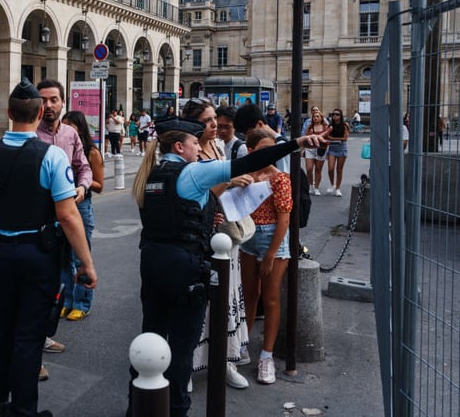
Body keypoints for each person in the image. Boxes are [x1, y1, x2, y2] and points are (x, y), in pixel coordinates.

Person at [130, 117, 327, 416]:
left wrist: (208, 214)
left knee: (150, 338)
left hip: (152, 262)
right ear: (180, 146)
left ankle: (139, 407)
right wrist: (297, 143)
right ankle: (176, 409)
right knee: (182, 348)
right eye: (195, 143)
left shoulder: (151, 174)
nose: (199, 149)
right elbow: (252, 162)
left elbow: (174, 214)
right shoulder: (193, 173)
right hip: (185, 267)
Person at [0, 78, 97, 417]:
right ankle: (24, 408)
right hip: (37, 252)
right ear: (41, 110)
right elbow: (68, 214)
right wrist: (86, 264)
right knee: (29, 332)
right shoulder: (52, 156)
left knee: (1, 326)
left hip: (0, 249)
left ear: (7, 113)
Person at [182, 99, 249, 390]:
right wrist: (229, 181)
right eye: (208, 120)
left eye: (215, 120)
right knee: (201, 298)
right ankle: (186, 365)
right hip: (202, 231)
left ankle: (226, 360)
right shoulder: (190, 151)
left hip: (225, 229)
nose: (214, 125)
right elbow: (197, 190)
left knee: (226, 296)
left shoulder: (220, 146)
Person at [35, 78, 93, 369]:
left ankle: (44, 335)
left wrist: (83, 186)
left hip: (70, 210)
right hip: (41, 218)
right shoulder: (31, 134)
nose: (48, 105)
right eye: (43, 100)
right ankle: (32, 346)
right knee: (41, 280)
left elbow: (84, 165)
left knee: (59, 278)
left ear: (62, 103)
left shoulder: (71, 133)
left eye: (53, 100)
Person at [238, 128, 294, 385]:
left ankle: (266, 356)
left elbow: (284, 220)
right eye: (262, 150)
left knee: (270, 299)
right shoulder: (244, 175)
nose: (268, 155)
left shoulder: (280, 178)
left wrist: (271, 254)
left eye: (272, 149)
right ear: (250, 151)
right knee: (249, 295)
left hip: (273, 238)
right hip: (248, 236)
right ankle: (243, 345)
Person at [61, 110, 103, 321]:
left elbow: (100, 185)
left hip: (81, 205)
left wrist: (82, 183)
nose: (67, 130)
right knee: (63, 257)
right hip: (62, 204)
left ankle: (82, 303)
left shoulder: (91, 152)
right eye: (64, 126)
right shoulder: (60, 148)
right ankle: (66, 300)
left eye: (71, 127)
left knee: (79, 257)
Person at [233, 104, 290, 173]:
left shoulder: (280, 145)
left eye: (248, 133)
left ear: (259, 124)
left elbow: (284, 178)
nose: (247, 138)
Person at [304, 109, 331, 195]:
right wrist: (302, 149)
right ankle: (311, 185)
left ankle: (316, 188)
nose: (315, 118)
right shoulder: (310, 127)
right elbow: (305, 138)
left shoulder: (325, 127)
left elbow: (328, 137)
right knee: (309, 169)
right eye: (314, 116)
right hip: (310, 149)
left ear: (321, 118)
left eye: (317, 116)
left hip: (321, 149)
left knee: (318, 169)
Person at [325, 108, 350, 196]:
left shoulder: (345, 125)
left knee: (339, 170)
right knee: (330, 169)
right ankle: (332, 184)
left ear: (341, 116)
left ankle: (338, 188)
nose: (335, 116)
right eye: (333, 114)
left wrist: (333, 139)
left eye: (337, 114)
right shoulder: (330, 126)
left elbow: (345, 138)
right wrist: (332, 138)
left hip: (342, 149)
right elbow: (327, 136)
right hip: (332, 148)